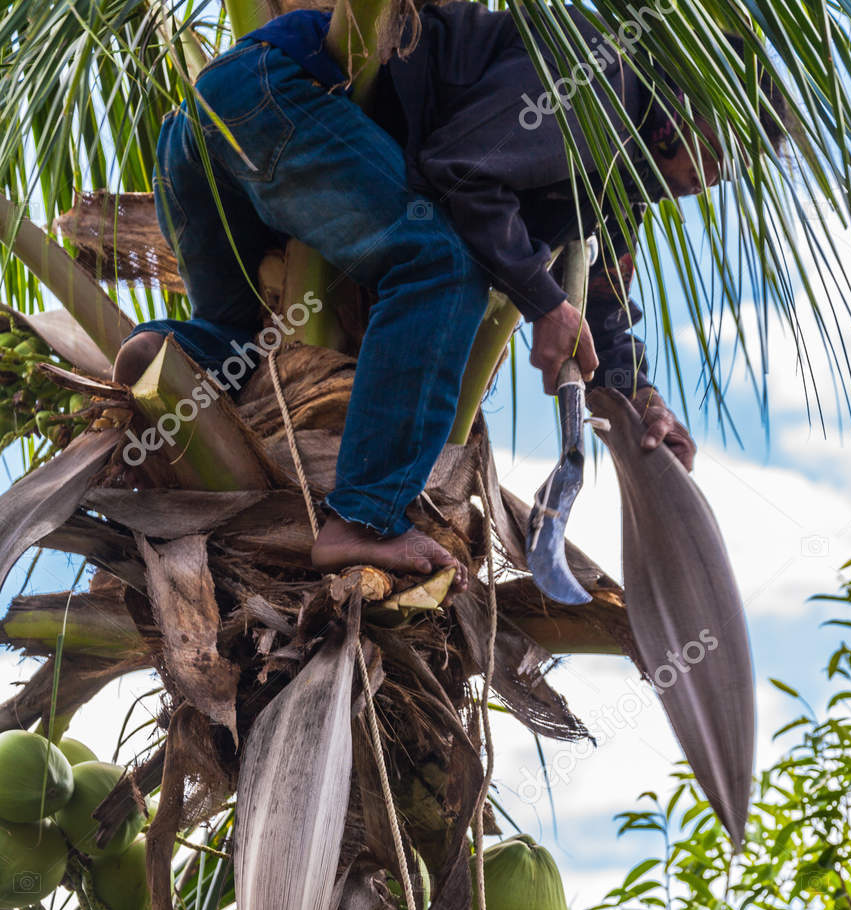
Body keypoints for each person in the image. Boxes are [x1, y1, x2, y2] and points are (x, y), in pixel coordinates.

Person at [115, 4, 785, 576]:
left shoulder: (609, 181)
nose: (719, 177)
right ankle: (364, 522)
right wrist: (544, 305)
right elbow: (460, 170)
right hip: (281, 97)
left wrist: (640, 403)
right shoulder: (600, 82)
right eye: (727, 152)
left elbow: (601, 307)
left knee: (238, 351)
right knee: (439, 263)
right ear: (683, 115)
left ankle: (158, 362)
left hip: (209, 131)